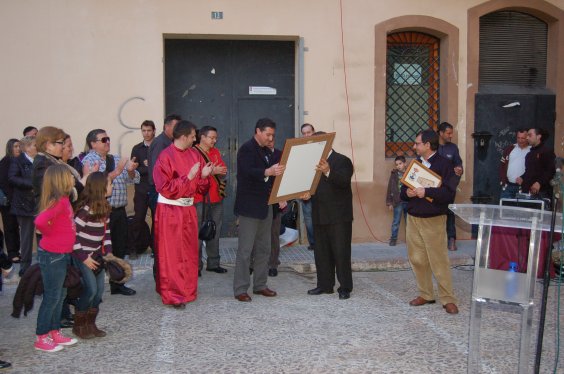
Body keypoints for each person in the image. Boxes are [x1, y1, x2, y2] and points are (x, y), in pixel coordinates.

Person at [153, 120, 212, 309]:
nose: (196, 139)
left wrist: (203, 176)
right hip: (170, 210)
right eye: (193, 136)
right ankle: (172, 294)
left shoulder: (194, 154)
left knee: (189, 251)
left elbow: (201, 187)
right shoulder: (165, 156)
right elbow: (164, 187)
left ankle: (187, 290)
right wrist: (189, 177)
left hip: (188, 209)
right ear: (184, 136)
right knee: (172, 254)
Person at [401, 129, 458, 314]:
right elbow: (403, 192)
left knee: (438, 260)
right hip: (413, 218)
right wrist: (407, 193)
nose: (414, 146)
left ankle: (448, 298)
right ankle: (426, 294)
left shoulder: (444, 165)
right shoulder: (415, 164)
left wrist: (427, 192)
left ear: (427, 145)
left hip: (433, 219)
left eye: (417, 143)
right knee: (417, 259)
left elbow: (449, 194)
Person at [82, 129, 139, 296]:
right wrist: (117, 171)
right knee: (102, 250)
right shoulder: (89, 160)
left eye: (108, 138)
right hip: (102, 211)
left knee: (120, 248)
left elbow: (133, 179)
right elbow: (94, 184)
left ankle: (117, 283)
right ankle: (93, 287)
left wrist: (130, 170)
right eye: (103, 139)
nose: (107, 142)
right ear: (93, 143)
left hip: (119, 210)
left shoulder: (114, 158)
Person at [233, 118, 284, 302]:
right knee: (245, 250)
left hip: (266, 206)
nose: (271, 138)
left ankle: (260, 285)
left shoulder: (266, 151)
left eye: (273, 135)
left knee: (264, 248)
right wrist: (267, 172)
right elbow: (246, 172)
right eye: (268, 134)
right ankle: (240, 289)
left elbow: (272, 177)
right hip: (249, 207)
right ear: (258, 131)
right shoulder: (247, 149)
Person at [303, 132, 354, 300]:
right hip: (319, 214)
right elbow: (310, 186)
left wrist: (328, 171)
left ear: (327, 144)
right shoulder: (312, 163)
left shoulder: (342, 160)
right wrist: (307, 194)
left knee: (341, 253)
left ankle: (345, 287)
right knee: (321, 253)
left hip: (339, 216)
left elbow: (344, 181)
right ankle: (325, 286)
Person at [33, 164, 78, 351]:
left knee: (61, 294)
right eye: (70, 175)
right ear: (62, 180)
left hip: (62, 254)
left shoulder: (64, 199)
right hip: (53, 255)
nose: (73, 178)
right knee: (52, 296)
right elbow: (40, 221)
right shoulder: (58, 201)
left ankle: (54, 331)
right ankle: (41, 336)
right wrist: (52, 235)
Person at [72, 172, 113, 339]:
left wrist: (109, 254)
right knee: (90, 290)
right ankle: (79, 325)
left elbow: (106, 233)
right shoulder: (84, 211)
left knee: (98, 292)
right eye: (110, 184)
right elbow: (73, 235)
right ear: (100, 188)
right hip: (85, 257)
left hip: (97, 257)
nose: (112, 186)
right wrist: (84, 258)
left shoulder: (105, 208)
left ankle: (91, 324)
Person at [194, 126, 228, 274]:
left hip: (216, 198)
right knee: (197, 233)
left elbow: (223, 171)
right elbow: (192, 174)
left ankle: (213, 263)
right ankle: (196, 266)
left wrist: (220, 173)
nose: (215, 140)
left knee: (215, 230)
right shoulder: (192, 153)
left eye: (215, 138)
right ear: (202, 137)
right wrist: (212, 171)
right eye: (212, 137)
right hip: (199, 199)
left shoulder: (215, 152)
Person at [8, 136, 38, 276]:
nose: (37, 147)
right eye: (34, 145)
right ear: (26, 148)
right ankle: (25, 267)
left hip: (39, 204)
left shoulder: (41, 159)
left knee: (43, 235)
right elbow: (12, 178)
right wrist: (32, 184)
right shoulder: (17, 161)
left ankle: (43, 264)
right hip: (24, 205)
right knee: (26, 237)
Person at [129, 120, 156, 259]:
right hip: (141, 190)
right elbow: (133, 168)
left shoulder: (159, 146)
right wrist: (148, 168)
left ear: (154, 131)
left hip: (156, 189)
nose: (146, 133)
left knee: (157, 220)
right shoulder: (137, 148)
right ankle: (133, 248)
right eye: (144, 131)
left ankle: (154, 248)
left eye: (149, 130)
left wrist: (146, 168)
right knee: (138, 219)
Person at [437, 122, 463, 251]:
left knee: (449, 212)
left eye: (451, 133)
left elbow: (458, 164)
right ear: (441, 133)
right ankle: (436, 241)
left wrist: (459, 169)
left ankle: (451, 239)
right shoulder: (432, 147)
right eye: (448, 133)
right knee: (433, 213)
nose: (451, 136)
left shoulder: (453, 148)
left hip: (448, 187)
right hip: (434, 188)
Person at [516, 127, 556, 201]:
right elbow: (529, 172)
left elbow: (551, 171)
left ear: (538, 136)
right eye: (527, 135)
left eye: (530, 135)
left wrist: (539, 183)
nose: (527, 138)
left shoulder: (547, 151)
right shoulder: (529, 154)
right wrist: (522, 177)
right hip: (527, 194)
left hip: (541, 194)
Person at [0, 139, 21, 263]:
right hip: (7, 201)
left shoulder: (18, 161)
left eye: (19, 146)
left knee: (16, 226)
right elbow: (3, 181)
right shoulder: (6, 161)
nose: (18, 148)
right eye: (15, 146)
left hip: (16, 199)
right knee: (10, 226)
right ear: (10, 148)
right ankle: (12, 253)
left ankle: (16, 251)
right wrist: (12, 196)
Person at [499, 129, 530, 200]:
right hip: (508, 187)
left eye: (523, 138)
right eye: (518, 138)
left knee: (521, 210)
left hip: (524, 188)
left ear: (527, 138)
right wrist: (502, 180)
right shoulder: (510, 149)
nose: (520, 140)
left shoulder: (531, 150)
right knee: (505, 209)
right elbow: (502, 165)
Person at [386, 155, 408, 246]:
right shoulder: (394, 174)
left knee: (409, 222)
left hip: (408, 201)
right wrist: (389, 202)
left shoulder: (410, 173)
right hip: (397, 201)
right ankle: (393, 238)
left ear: (405, 164)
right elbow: (390, 188)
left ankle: (410, 239)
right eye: (396, 164)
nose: (398, 166)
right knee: (396, 221)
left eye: (400, 163)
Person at [300, 123, 316, 250]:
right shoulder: (299, 149)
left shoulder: (321, 147)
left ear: (313, 132)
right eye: (304, 133)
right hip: (305, 190)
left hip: (320, 190)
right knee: (308, 219)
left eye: (308, 132)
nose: (306, 135)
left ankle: (322, 243)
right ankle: (313, 243)